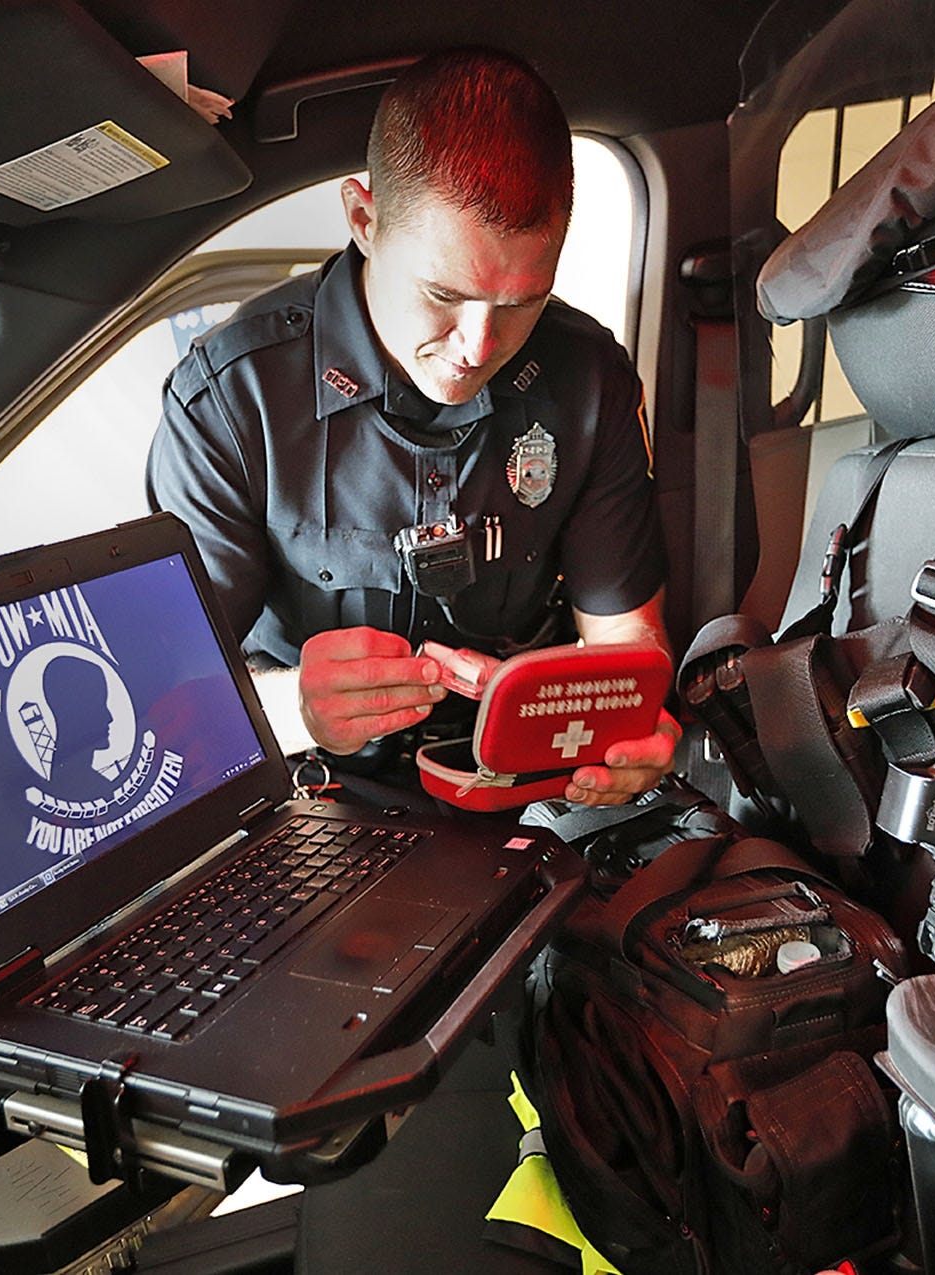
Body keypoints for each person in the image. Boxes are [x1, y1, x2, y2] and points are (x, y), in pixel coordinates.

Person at [147, 47, 677, 807]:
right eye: (442, 292)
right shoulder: (233, 400)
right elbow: (165, 707)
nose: (477, 345)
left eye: (523, 302)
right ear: (364, 218)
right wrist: (293, 706)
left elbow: (629, 644)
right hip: (310, 794)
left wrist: (632, 733)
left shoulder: (590, 381)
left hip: (524, 791)